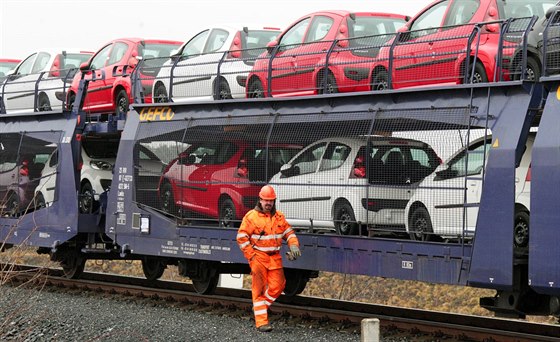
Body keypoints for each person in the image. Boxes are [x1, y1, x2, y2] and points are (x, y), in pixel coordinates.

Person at [236, 185, 301, 332]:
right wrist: (251, 256)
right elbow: (241, 237)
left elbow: (289, 233)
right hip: (258, 258)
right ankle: (262, 323)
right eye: (266, 200)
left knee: (278, 286)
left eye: (271, 201)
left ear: (274, 201)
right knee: (258, 290)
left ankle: (260, 309)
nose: (268, 203)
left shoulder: (279, 217)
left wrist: (294, 245)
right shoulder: (251, 217)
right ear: (260, 200)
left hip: (274, 258)